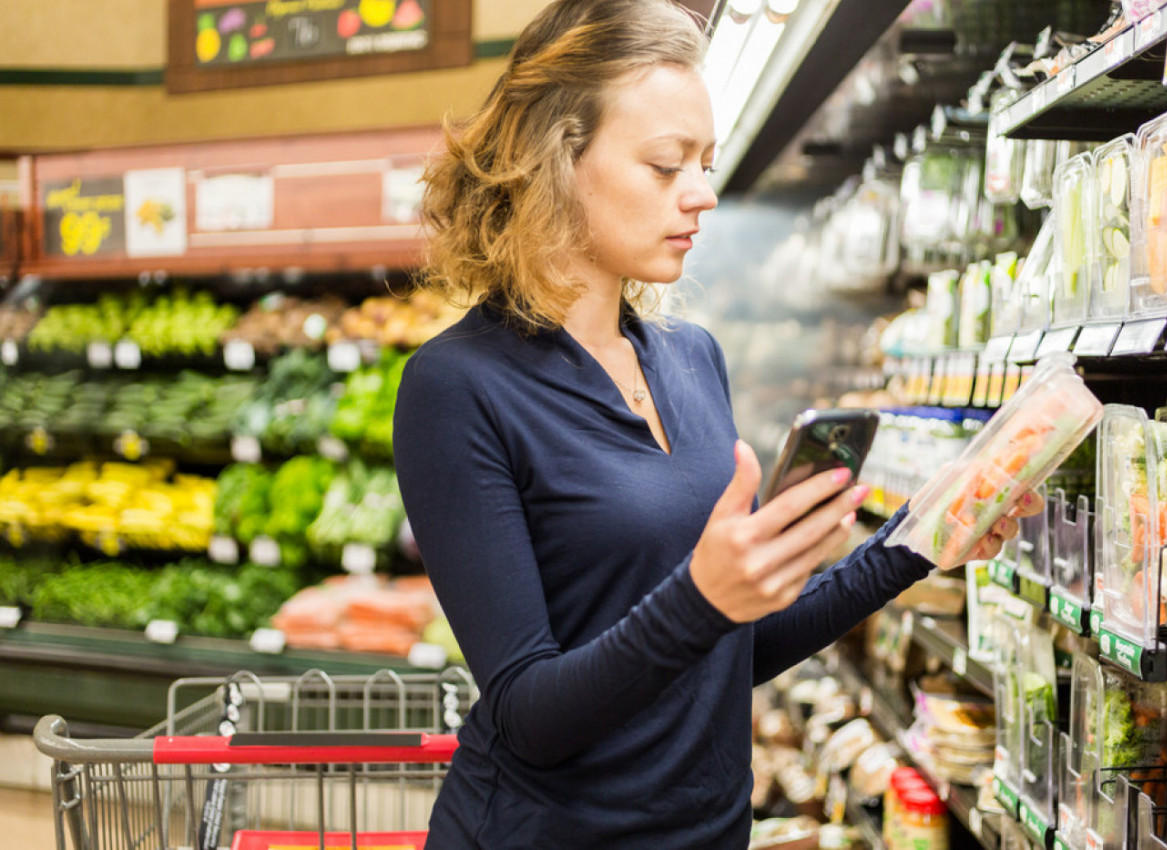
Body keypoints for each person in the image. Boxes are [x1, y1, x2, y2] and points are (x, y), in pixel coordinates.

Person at [392, 0, 1037, 845]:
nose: (700, 194)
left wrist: (916, 541)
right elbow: (527, 715)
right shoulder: (456, 388)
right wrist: (701, 597)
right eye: (665, 165)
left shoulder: (691, 359)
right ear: (553, 162)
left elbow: (730, 653)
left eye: (705, 161)